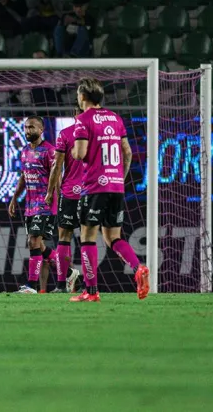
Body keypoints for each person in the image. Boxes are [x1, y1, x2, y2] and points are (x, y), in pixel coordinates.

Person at [71, 77, 148, 302]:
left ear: (82, 96)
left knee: (87, 237)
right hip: (116, 186)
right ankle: (138, 268)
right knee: (113, 237)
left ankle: (91, 292)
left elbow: (80, 154)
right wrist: (118, 179)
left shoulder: (82, 120)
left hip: (94, 186)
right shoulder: (115, 118)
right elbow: (128, 153)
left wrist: (75, 150)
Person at [8, 116, 57, 294]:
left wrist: (53, 196)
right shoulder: (24, 151)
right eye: (26, 127)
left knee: (33, 241)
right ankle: (70, 273)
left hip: (45, 204)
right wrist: (15, 198)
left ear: (41, 129)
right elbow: (24, 176)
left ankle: (31, 286)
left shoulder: (50, 151)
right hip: (30, 205)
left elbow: (56, 176)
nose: (28, 131)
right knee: (39, 246)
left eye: (32, 127)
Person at [45, 106, 85, 293]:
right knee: (89, 239)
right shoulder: (96, 135)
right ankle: (89, 286)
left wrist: (50, 191)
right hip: (90, 192)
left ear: (74, 115)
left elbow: (57, 166)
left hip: (70, 193)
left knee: (64, 238)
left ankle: (62, 285)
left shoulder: (66, 134)